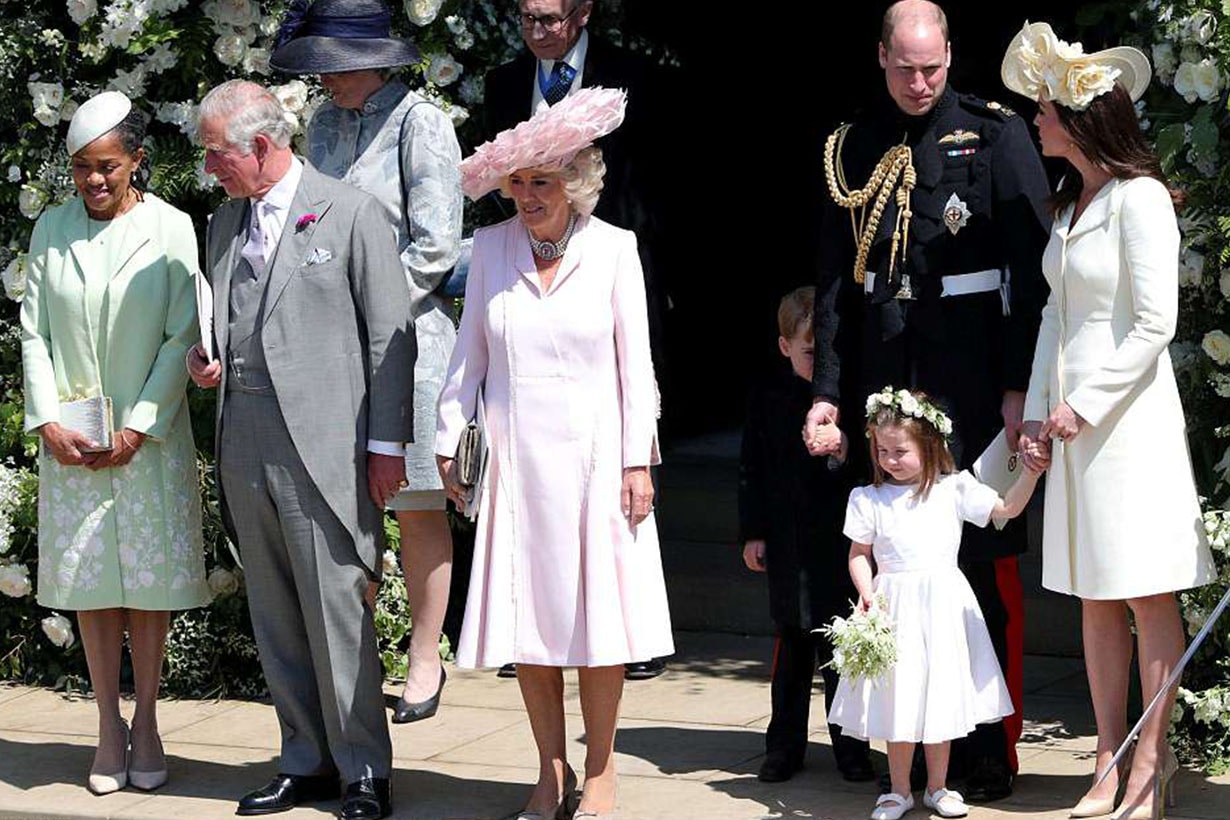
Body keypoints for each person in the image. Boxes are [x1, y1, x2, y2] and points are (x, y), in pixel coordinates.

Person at [802, 0, 1052, 799]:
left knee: (979, 569)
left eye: (933, 66)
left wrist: (1018, 386)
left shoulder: (996, 132)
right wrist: (829, 396)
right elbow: (838, 286)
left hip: (971, 379)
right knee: (884, 566)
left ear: (950, 55)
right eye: (906, 66)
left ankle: (989, 744)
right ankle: (892, 740)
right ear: (880, 57)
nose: (920, 81)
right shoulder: (851, 147)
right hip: (885, 372)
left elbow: (1032, 271)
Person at [437, 86, 674, 820]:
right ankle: (549, 770)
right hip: (514, 463)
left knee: (599, 624)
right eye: (519, 181)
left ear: (576, 185)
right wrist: (449, 442)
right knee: (527, 624)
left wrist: (639, 461)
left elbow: (638, 366)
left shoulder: (615, 250)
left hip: (598, 464)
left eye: (544, 181)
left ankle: (601, 770)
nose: (529, 195)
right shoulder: (489, 250)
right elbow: (467, 358)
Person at [1001, 22, 1218, 820]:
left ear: (1083, 117)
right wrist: (1033, 412)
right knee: (1095, 594)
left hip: (1126, 424)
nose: (1036, 117)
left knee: (1144, 594)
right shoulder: (1071, 206)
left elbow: (1154, 325)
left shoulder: (1141, 199)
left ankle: (1148, 762)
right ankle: (1105, 755)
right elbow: (1057, 318)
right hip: (1068, 425)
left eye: (1047, 107)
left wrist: (1081, 405)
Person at [186, 80, 415, 820]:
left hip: (326, 445)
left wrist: (386, 449)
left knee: (336, 607)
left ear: (260, 145)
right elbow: (223, 320)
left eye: (218, 153)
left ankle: (364, 772)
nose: (210, 167)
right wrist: (205, 360)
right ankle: (304, 759)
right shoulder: (224, 223)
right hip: (244, 437)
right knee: (277, 610)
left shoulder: (349, 212)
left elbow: (389, 339)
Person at [269, 0, 463, 726]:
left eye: (335, 66)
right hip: (332, 345)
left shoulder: (421, 124)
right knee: (345, 509)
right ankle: (351, 667)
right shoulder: (319, 126)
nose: (324, 80)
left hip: (406, 341)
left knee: (415, 505)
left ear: (372, 58)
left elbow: (436, 247)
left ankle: (423, 657)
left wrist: (368, 310)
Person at [20, 91, 210, 796]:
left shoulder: (172, 228)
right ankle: (107, 725)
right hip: (73, 440)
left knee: (148, 589)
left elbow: (182, 331)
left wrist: (139, 424)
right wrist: (46, 420)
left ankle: (151, 720)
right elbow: (33, 329)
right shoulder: (51, 228)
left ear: (136, 160)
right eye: (80, 168)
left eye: (106, 166)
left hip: (147, 440)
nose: (94, 181)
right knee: (93, 584)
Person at [484, 0, 671, 682]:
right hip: (532, 260)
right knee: (537, 466)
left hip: (608, 256)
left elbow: (651, 178)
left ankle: (628, 629)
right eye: (530, 20)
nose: (542, 32)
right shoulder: (503, 84)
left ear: (583, 13)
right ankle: (534, 628)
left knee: (623, 435)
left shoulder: (630, 75)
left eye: (554, 19)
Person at [829, 388, 1042, 820]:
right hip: (894, 606)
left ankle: (939, 787)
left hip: (942, 605)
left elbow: (1006, 508)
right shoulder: (869, 498)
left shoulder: (953, 489)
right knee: (900, 696)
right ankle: (899, 789)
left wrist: (1031, 475)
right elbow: (858, 553)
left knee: (940, 693)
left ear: (929, 447)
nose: (890, 459)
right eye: (882, 450)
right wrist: (867, 593)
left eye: (901, 450)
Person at [738, 286, 873, 784]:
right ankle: (784, 747)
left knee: (841, 652)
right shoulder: (768, 396)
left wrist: (840, 450)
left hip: (834, 543)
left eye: (824, 354)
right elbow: (751, 466)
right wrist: (753, 532)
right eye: (808, 352)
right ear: (784, 347)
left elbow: (863, 466)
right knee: (791, 650)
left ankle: (852, 748)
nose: (817, 363)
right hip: (785, 538)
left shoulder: (845, 400)